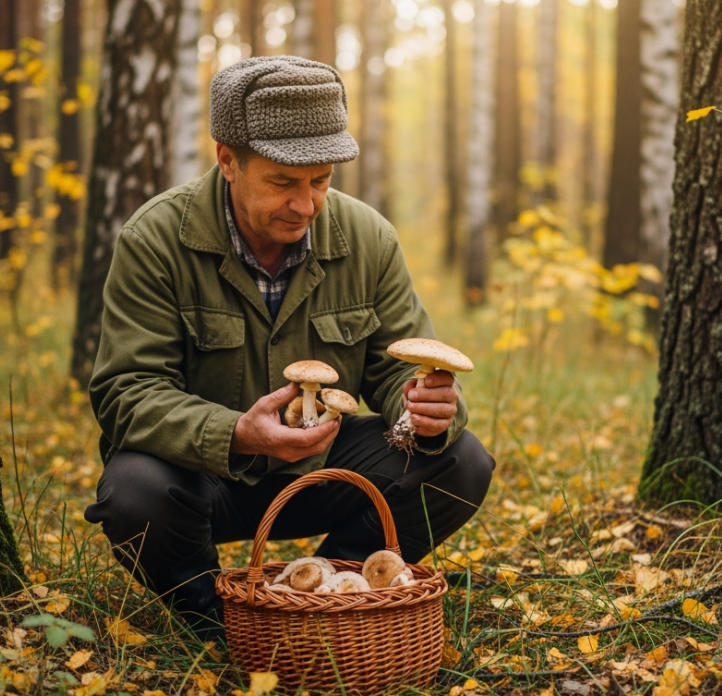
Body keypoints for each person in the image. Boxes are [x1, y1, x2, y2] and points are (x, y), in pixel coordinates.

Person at [83, 56, 494, 637]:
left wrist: (425, 415)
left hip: (326, 472)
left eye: (321, 181)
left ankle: (326, 595)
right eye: (282, 183)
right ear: (228, 159)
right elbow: (126, 392)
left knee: (462, 461)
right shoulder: (155, 239)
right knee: (134, 492)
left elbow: (399, 370)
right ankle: (212, 620)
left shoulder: (367, 237)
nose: (306, 205)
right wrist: (235, 434)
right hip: (208, 482)